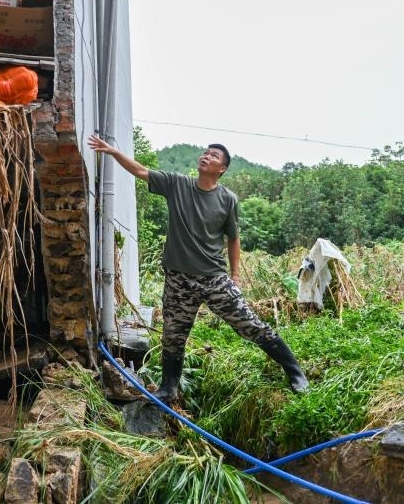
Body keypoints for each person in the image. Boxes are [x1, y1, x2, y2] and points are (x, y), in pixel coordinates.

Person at [88, 134, 309, 399]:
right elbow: (141, 171)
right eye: (205, 152)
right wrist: (113, 151)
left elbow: (233, 238)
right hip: (178, 280)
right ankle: (168, 388)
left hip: (214, 278)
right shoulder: (177, 184)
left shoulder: (228, 199)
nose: (206, 156)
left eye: (213, 155)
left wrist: (235, 275)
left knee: (250, 324)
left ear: (222, 168)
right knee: (173, 335)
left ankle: (295, 372)